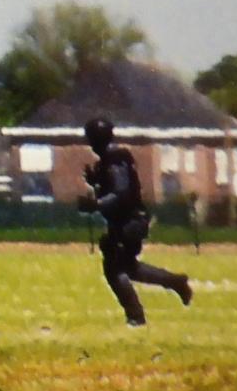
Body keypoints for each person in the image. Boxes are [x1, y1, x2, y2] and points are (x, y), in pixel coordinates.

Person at [79, 116, 192, 327]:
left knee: (115, 269)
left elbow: (120, 193)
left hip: (129, 223)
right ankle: (175, 282)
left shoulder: (114, 159)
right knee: (128, 268)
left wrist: (96, 204)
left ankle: (136, 316)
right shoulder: (110, 160)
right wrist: (95, 181)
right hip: (126, 221)